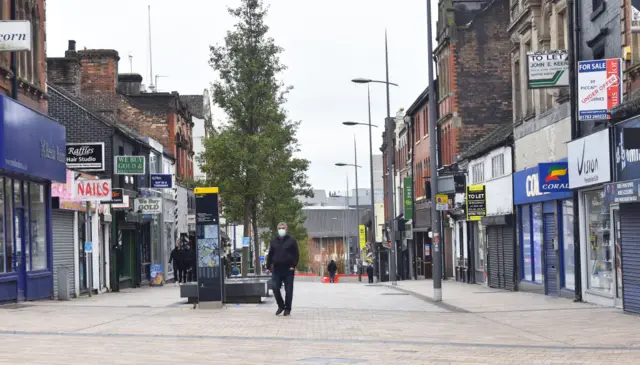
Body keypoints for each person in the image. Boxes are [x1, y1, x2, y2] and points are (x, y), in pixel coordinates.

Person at [266, 222, 299, 316]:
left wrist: (293, 265)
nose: (281, 230)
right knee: (275, 287)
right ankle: (281, 305)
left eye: (283, 228)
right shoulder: (274, 241)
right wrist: (268, 267)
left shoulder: (292, 240)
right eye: (280, 228)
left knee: (289, 290)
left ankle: (288, 309)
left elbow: (296, 254)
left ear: (286, 229)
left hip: (288, 269)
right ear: (277, 229)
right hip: (276, 269)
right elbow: (270, 254)